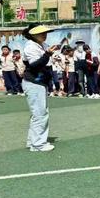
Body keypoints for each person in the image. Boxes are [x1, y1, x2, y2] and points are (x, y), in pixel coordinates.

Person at [20, 24, 57, 152]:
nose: (44, 35)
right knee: (40, 114)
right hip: (34, 83)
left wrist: (51, 56)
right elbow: (35, 65)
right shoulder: (30, 46)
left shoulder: (42, 45)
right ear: (33, 34)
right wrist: (47, 55)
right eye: (41, 33)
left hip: (40, 83)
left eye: (45, 32)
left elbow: (46, 60)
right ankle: (38, 144)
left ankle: (33, 142)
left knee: (39, 113)